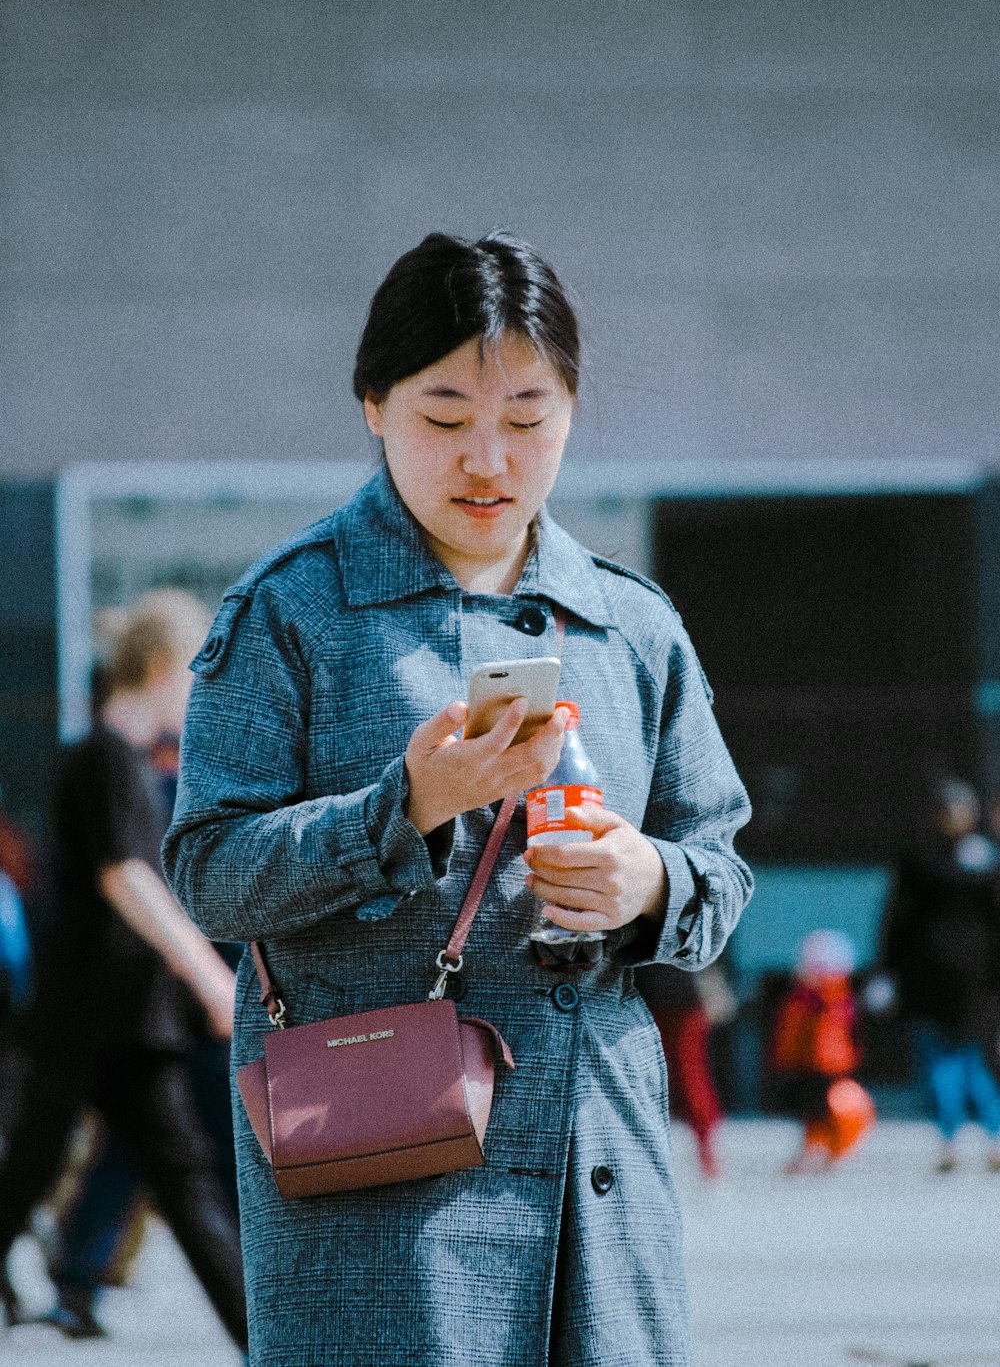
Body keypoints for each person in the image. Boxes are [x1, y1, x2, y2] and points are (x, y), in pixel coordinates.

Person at [163, 230, 753, 1367]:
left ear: (572, 412)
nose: (488, 459)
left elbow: (716, 863)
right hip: (386, 1171)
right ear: (372, 406)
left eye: (527, 419)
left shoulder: (631, 625)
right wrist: (404, 808)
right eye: (444, 418)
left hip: (602, 1168)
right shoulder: (292, 612)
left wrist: (650, 882)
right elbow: (210, 872)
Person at [0, 590, 248, 1351]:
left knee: (184, 1179)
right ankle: (267, 1342)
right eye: (199, 675)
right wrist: (210, 976)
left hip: (128, 1023)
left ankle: (267, 1343)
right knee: (31, 1180)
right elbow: (126, 878)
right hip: (89, 1019)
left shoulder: (130, 762)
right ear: (165, 667)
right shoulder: (102, 757)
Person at [879, 777, 1000, 1173]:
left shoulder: (919, 859)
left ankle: (958, 1138)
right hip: (961, 982)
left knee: (952, 1062)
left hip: (949, 981)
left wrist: (886, 973)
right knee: (965, 1062)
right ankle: (984, 1136)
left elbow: (897, 922)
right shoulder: (984, 862)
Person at [770, 929, 875, 1174]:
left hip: (827, 1063)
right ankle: (818, 1147)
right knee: (811, 1108)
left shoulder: (831, 997)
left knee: (823, 1108)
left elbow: (840, 1032)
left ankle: (827, 1148)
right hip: (813, 1061)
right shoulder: (807, 997)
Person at [636, 962, 733, 1179]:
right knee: (650, 1081)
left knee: (691, 1079)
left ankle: (709, 1156)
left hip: (683, 1000)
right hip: (650, 997)